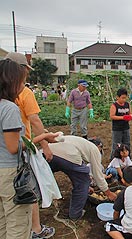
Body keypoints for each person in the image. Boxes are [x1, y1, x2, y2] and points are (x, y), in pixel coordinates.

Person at [0, 59, 59, 239]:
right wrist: (41, 138)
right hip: (10, 173)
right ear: (12, 81)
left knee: (3, 222)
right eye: (22, 80)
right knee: (18, 225)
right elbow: (13, 147)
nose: (23, 86)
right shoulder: (9, 108)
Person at [48, 136, 117, 219]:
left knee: (44, 176)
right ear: (98, 147)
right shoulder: (94, 150)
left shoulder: (81, 143)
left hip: (47, 151)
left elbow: (73, 170)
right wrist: (108, 193)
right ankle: (75, 214)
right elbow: (98, 175)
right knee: (82, 182)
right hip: (67, 155)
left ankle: (38, 200)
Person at [109, 88, 132, 159]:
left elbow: (130, 113)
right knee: (116, 144)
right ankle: (114, 158)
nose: (124, 100)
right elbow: (112, 116)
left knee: (127, 143)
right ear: (118, 97)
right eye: (122, 98)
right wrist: (122, 117)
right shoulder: (114, 105)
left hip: (126, 127)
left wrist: (130, 116)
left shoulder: (127, 104)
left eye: (125, 98)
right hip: (117, 128)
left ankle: (127, 157)